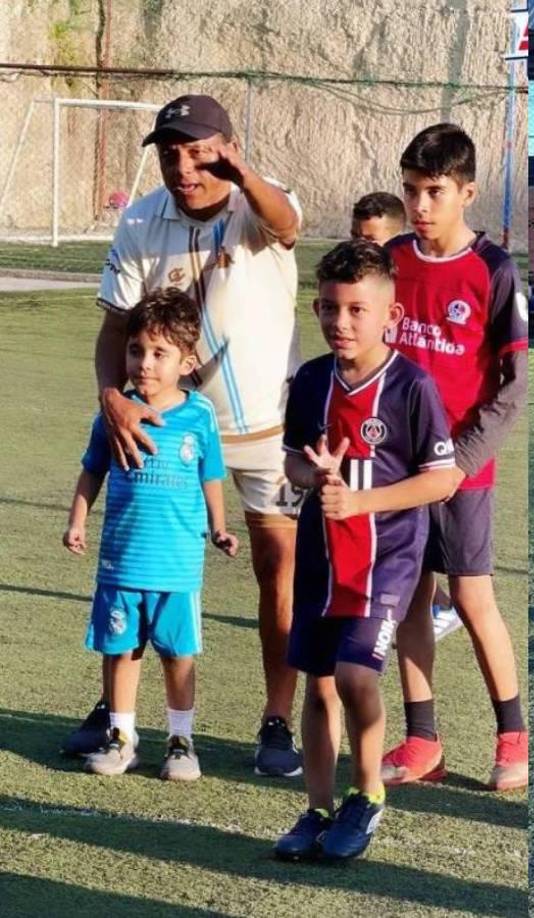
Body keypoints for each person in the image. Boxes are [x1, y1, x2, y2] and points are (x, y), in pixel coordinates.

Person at [61, 94, 309, 777]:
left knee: (276, 573)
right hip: (162, 430)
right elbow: (116, 330)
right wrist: (113, 398)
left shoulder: (260, 202)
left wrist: (244, 174)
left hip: (265, 428)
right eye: (169, 153)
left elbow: (288, 224)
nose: (181, 167)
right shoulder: (142, 218)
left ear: (224, 147)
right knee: (135, 567)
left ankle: (277, 720)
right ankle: (117, 717)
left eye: (196, 151)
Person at [274, 240, 457, 861]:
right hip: (322, 554)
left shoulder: (411, 386)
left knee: (356, 676)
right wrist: (314, 477)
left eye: (355, 309)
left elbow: (442, 478)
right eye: (328, 307)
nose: (340, 322)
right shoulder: (310, 381)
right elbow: (296, 461)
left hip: (388, 557)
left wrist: (361, 502)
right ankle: (316, 809)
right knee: (318, 683)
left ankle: (368, 794)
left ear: (390, 316)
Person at [381, 123, 529, 791]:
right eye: (411, 190)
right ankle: (422, 741)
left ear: (467, 192)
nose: (420, 205)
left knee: (472, 598)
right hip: (395, 470)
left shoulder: (495, 271)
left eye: (434, 191)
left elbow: (512, 388)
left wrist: (461, 463)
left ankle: (514, 736)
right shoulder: (388, 259)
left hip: (463, 472)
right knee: (408, 600)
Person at [63, 289, 239, 781]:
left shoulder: (198, 415)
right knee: (120, 650)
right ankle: (121, 738)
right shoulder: (115, 412)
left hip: (177, 565)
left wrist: (219, 527)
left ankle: (181, 742)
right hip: (122, 561)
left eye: (160, 353)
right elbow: (92, 471)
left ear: (187, 361)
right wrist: (77, 519)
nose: (145, 363)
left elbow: (211, 474)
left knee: (178, 655)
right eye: (136, 350)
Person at [349, 191, 461, 639]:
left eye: (372, 241)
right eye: (357, 237)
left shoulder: (407, 285)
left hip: (420, 432)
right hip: (381, 426)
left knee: (406, 532)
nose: (362, 248)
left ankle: (441, 605)